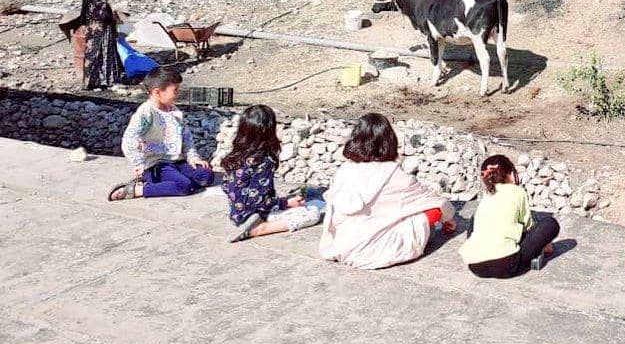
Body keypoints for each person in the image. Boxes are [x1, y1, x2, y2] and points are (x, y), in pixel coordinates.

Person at [318, 112, 455, 269]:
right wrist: (448, 218)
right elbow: (436, 202)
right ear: (389, 141)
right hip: (378, 251)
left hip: (340, 246)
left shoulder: (344, 169)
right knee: (431, 211)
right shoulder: (394, 173)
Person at [221, 105, 323, 243]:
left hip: (236, 213)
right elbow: (259, 201)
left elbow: (227, 186)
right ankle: (260, 228)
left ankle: (255, 222)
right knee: (313, 213)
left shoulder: (236, 155)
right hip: (255, 214)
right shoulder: (263, 161)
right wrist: (286, 203)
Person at [107, 66, 213, 201]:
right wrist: (138, 163)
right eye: (175, 90)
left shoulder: (174, 111)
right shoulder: (146, 113)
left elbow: (186, 137)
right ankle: (138, 190)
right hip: (157, 164)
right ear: (158, 92)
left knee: (206, 175)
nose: (178, 93)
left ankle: (168, 183)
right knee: (184, 186)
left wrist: (193, 157)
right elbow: (130, 139)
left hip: (177, 161)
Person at [459, 154, 559, 278]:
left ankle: (478, 247)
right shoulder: (518, 192)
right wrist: (543, 242)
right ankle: (543, 248)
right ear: (511, 173)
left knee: (475, 218)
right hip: (506, 265)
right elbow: (529, 228)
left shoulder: (487, 194)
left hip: (475, 266)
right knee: (550, 224)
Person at [78, 0, 125, 89]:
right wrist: (115, 18)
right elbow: (106, 17)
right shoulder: (101, 2)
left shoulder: (87, 0)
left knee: (91, 56)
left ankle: (90, 81)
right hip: (104, 32)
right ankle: (108, 80)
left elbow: (84, 17)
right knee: (106, 54)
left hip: (91, 31)